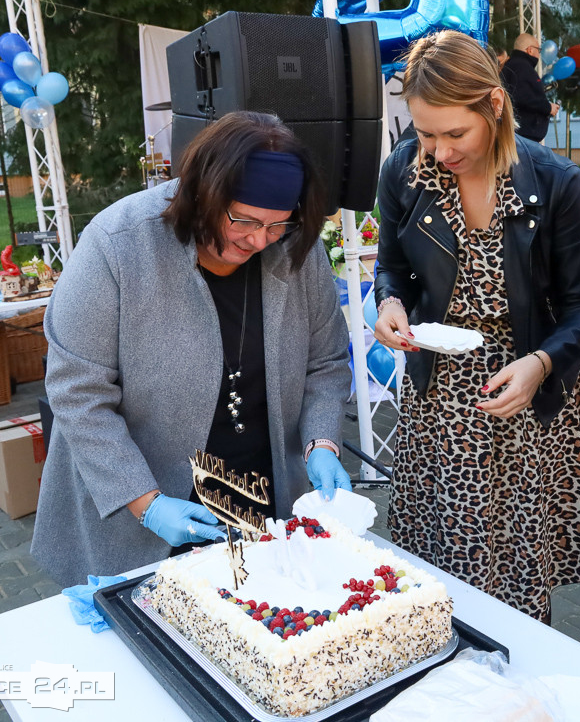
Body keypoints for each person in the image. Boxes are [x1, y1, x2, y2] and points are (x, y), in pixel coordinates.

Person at [31, 111, 352, 588]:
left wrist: (322, 442)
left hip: (259, 497)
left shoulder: (295, 249)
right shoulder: (118, 242)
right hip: (142, 506)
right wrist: (146, 502)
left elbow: (325, 364)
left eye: (276, 225)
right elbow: (77, 392)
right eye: (243, 220)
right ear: (205, 191)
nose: (258, 240)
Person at [372, 29, 580, 623]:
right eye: (426, 133)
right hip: (439, 396)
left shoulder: (555, 182)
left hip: (524, 390)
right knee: (437, 568)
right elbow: (393, 269)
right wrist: (390, 305)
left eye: (456, 133)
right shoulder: (404, 170)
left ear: (494, 106)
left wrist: (542, 365)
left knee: (517, 576)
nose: (439, 151)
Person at [500, 32, 560, 142]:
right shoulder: (523, 67)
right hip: (523, 136)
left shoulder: (510, 66)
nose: (539, 54)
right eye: (539, 50)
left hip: (512, 133)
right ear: (530, 50)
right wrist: (548, 107)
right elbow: (525, 97)